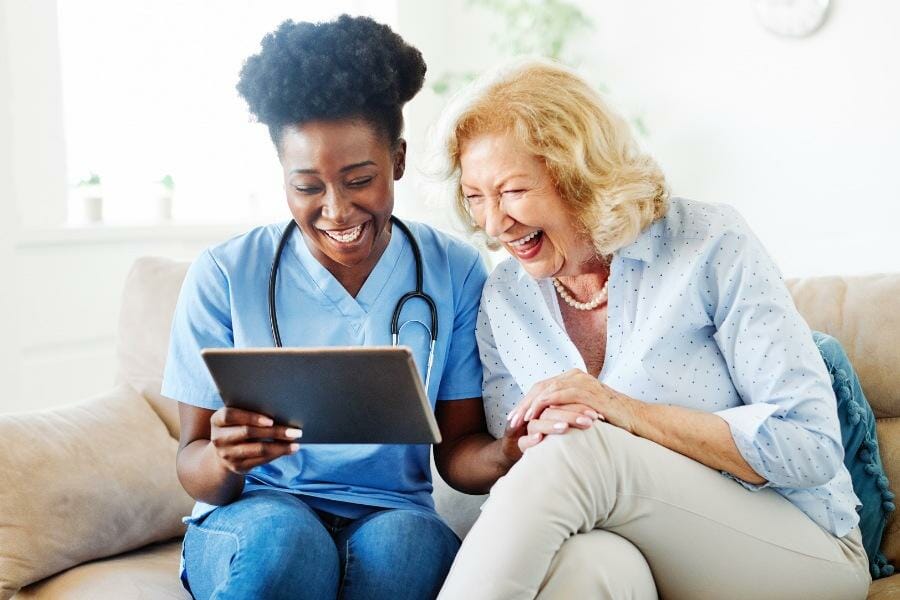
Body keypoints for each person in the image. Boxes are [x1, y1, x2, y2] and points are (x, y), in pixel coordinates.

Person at [429, 59, 871, 599]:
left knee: (582, 446)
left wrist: (625, 413)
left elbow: (809, 446)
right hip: (636, 548)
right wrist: (519, 448)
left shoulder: (708, 242)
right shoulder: (506, 297)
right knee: (589, 567)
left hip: (801, 546)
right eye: (477, 197)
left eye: (513, 191)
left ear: (578, 175)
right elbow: (524, 469)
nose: (494, 224)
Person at [161, 16, 488, 600]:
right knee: (289, 543)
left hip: (394, 511)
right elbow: (194, 462)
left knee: (406, 551)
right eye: (307, 186)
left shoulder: (454, 270)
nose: (336, 210)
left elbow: (457, 453)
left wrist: (513, 451)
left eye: (360, 179)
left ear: (399, 160)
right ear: (283, 177)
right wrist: (226, 459)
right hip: (259, 508)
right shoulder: (223, 273)